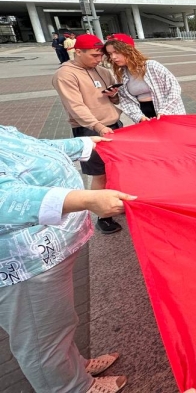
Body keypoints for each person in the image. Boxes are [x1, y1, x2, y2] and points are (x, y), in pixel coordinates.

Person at [0, 125, 135, 393]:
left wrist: (84, 144)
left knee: (56, 323)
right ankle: (71, 387)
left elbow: (31, 150)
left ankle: (73, 368)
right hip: (23, 265)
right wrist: (82, 199)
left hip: (43, 256)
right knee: (42, 339)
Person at [52, 34, 124, 234]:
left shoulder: (103, 71)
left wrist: (114, 95)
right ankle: (103, 217)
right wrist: (97, 126)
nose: (99, 60)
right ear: (78, 52)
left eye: (101, 55)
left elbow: (116, 100)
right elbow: (75, 106)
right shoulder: (65, 74)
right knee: (99, 173)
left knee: (117, 169)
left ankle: (116, 203)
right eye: (94, 55)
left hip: (113, 125)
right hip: (89, 129)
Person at [103, 33, 185, 122]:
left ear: (129, 50)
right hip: (144, 115)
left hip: (169, 113)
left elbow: (174, 89)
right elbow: (126, 100)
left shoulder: (152, 66)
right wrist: (139, 117)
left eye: (117, 52)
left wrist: (165, 111)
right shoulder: (121, 74)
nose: (113, 57)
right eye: (110, 54)